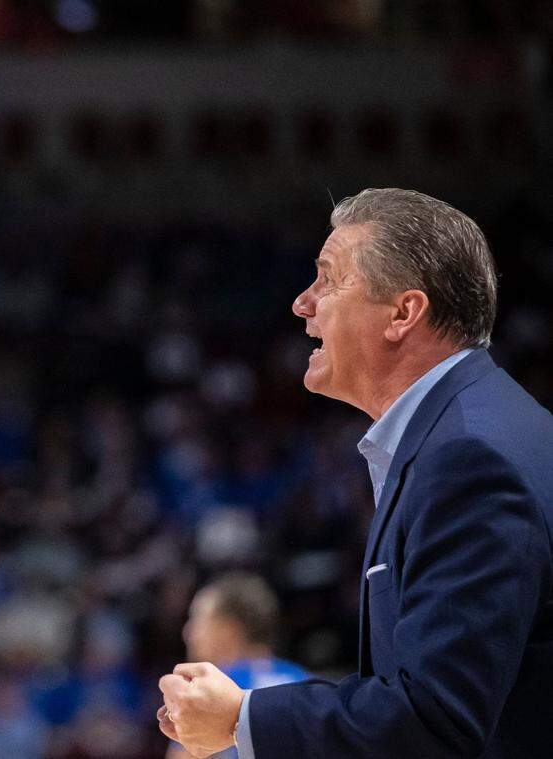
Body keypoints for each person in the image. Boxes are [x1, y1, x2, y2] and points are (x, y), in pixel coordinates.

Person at [156, 188, 553, 758]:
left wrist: (242, 717)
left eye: (328, 278)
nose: (302, 302)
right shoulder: (482, 425)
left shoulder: (469, 457)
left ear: (402, 313)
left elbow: (435, 718)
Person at [167, 573, 307, 759]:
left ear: (228, 628)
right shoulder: (307, 683)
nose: (187, 632)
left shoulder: (209, 692)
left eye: (197, 619)